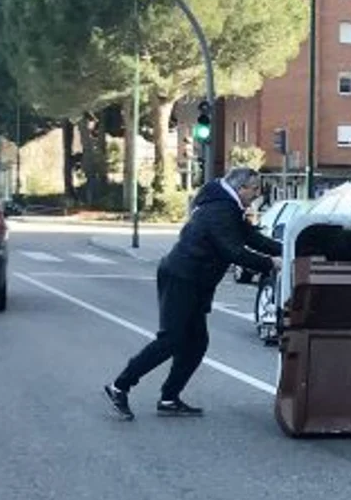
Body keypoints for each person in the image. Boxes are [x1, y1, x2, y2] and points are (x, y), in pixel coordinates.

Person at [103, 167, 281, 420]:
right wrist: (270, 263)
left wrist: (288, 248)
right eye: (255, 189)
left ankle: (169, 398)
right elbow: (233, 251)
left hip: (195, 280)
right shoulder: (220, 210)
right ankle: (119, 386)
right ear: (241, 188)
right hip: (182, 277)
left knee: (196, 342)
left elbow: (250, 237)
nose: (257, 195)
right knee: (171, 339)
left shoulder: (226, 206)